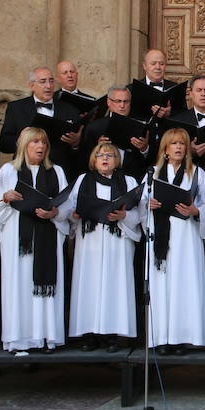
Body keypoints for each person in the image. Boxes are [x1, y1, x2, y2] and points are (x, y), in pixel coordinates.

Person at [0, 127, 70, 354]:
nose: (41, 147)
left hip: (47, 236)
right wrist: (5, 198)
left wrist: (54, 213)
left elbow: (67, 203)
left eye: (44, 142)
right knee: (20, 284)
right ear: (24, 144)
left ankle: (47, 337)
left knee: (45, 285)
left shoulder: (56, 171)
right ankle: (19, 339)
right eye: (35, 142)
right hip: (18, 238)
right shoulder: (8, 171)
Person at [140, 128, 205, 356]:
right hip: (161, 234)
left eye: (182, 143)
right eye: (173, 144)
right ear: (165, 149)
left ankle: (183, 337)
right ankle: (162, 337)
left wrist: (196, 210)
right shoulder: (152, 173)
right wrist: (148, 205)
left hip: (186, 235)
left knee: (184, 283)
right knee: (162, 284)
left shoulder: (197, 173)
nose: (179, 147)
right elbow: (141, 201)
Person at [62, 142, 141, 352]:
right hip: (91, 240)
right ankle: (90, 334)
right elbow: (70, 206)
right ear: (93, 159)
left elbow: (140, 212)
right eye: (100, 155)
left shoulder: (128, 181)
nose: (105, 159)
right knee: (90, 285)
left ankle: (112, 334)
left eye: (110, 155)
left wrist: (124, 215)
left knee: (114, 285)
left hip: (117, 239)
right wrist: (75, 214)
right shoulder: (83, 180)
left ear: (117, 160)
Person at [0, 67, 83, 175]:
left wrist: (76, 143)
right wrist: (19, 142)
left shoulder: (70, 109)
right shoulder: (16, 108)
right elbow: (3, 143)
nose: (48, 86)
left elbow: (82, 150)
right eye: (43, 81)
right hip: (24, 171)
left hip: (60, 172)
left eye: (51, 81)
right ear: (31, 85)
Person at [82, 85, 150, 181]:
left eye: (126, 101)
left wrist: (144, 149)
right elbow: (85, 160)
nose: (122, 106)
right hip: (101, 180)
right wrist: (98, 149)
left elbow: (153, 159)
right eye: (118, 101)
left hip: (133, 180)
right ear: (108, 102)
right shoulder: (94, 127)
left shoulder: (141, 125)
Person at [131, 49, 177, 120]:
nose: (158, 67)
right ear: (144, 66)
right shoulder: (132, 88)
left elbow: (183, 115)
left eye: (161, 64)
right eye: (153, 63)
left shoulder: (175, 88)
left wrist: (170, 113)